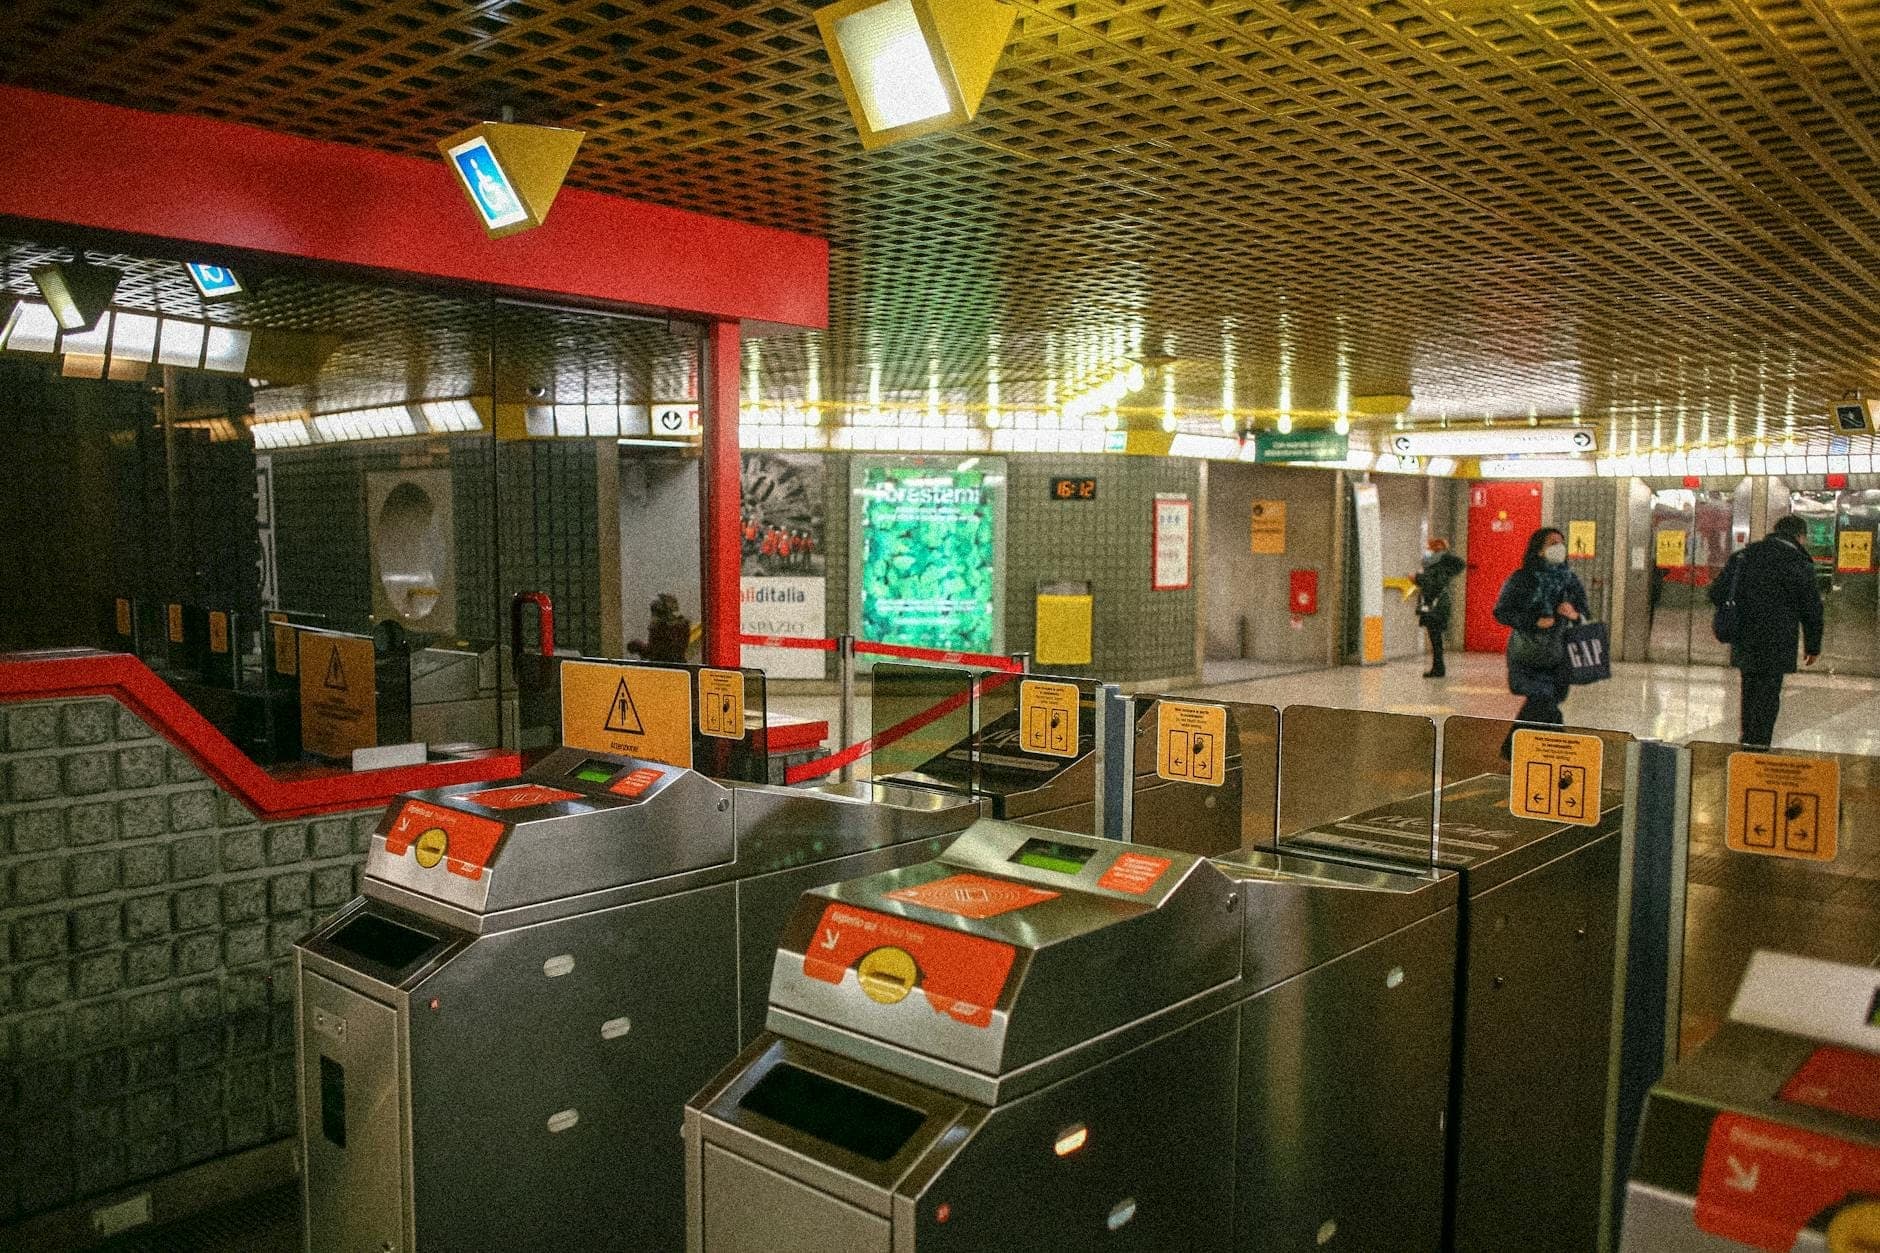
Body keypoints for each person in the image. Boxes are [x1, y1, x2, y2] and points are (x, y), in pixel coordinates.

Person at [1707, 515, 1822, 747]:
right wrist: (1813, 646)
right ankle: (1759, 744)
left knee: (1749, 691)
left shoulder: (1744, 556)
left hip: (1746, 638)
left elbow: (1716, 593)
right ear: (1800, 536)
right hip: (1779, 641)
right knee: (1768, 695)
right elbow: (1812, 608)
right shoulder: (1798, 562)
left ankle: (1748, 741)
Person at [1493, 527, 1590, 728]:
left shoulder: (1570, 581)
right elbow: (1502, 612)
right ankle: (1530, 744)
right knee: (1542, 701)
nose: (1559, 548)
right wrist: (1533, 621)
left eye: (1561, 543)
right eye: (1553, 544)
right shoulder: (1522, 579)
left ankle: (1533, 744)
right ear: (1539, 550)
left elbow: (1585, 615)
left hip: (1559, 656)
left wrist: (1573, 614)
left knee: (1547, 706)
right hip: (1527, 654)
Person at [1413, 538, 1466, 678]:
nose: (1432, 548)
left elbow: (1433, 583)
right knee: (1435, 638)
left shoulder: (1440, 564)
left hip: (1436, 605)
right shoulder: (1433, 564)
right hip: (1434, 603)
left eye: (1437, 545)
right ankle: (1438, 668)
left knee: (1435, 637)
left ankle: (1438, 669)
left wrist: (1417, 578)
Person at [628, 593, 691, 663]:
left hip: (660, 666)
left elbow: (655, 652)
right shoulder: (683, 625)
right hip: (680, 665)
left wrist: (637, 645)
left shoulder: (659, 628)